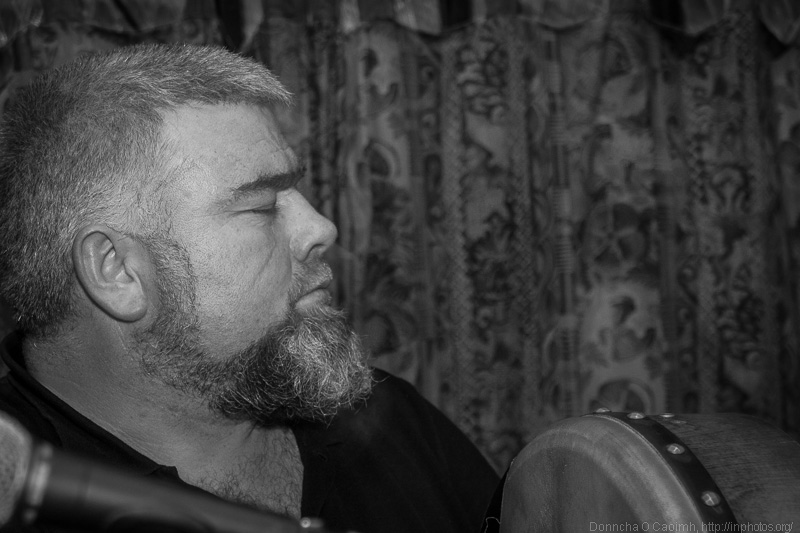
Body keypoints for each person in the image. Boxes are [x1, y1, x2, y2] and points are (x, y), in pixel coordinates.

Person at [0, 43, 499, 533]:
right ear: (118, 272)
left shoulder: (385, 419)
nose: (321, 228)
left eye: (296, 191)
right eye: (262, 206)